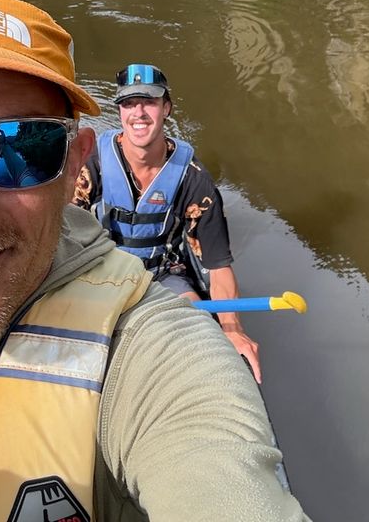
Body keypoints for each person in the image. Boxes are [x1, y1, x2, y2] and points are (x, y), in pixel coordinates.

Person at [0, 0, 307, 521]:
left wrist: (227, 326)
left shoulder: (156, 346)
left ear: (75, 160)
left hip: (157, 276)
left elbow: (212, 263)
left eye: (24, 148)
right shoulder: (98, 178)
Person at [72, 63, 261, 381]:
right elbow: (59, 232)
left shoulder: (194, 179)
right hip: (105, 271)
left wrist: (232, 328)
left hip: (165, 275)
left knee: (198, 333)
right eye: (130, 103)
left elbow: (217, 264)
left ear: (167, 108)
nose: (139, 113)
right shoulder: (92, 165)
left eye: (149, 102)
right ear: (119, 112)